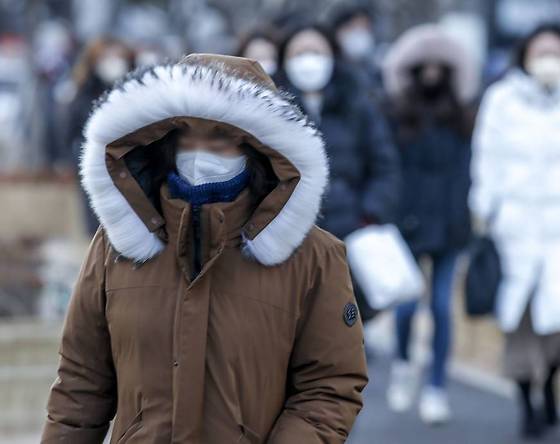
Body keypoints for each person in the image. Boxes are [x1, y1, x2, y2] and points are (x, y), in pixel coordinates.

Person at [41, 54, 368, 443]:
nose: (200, 150)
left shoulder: (312, 257)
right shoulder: (116, 247)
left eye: (221, 137)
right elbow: (81, 383)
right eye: (187, 134)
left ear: (256, 147)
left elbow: (329, 386)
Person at [470, 23, 560, 438]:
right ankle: (525, 401)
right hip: (515, 226)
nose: (548, 59)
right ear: (525, 56)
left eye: (556, 51)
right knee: (520, 320)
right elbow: (486, 156)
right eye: (540, 51)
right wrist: (488, 206)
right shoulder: (502, 100)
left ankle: (551, 382)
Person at [382, 24, 478, 425]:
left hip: (451, 224)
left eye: (442, 65)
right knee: (406, 308)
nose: (434, 72)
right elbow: (390, 168)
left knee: (441, 307)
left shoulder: (463, 116)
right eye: (426, 64)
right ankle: (404, 363)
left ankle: (436, 386)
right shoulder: (395, 113)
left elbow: (469, 169)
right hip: (408, 223)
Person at [277, 24, 400, 321]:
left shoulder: (358, 105)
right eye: (300, 53)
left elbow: (384, 165)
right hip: (290, 236)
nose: (309, 60)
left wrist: (371, 213)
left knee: (346, 323)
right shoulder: (271, 105)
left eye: (316, 51)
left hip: (350, 231)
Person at [66, 37, 136, 235]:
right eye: (106, 56)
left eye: (117, 55)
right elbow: (71, 129)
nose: (113, 60)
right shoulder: (83, 91)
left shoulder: (137, 88)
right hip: (94, 163)